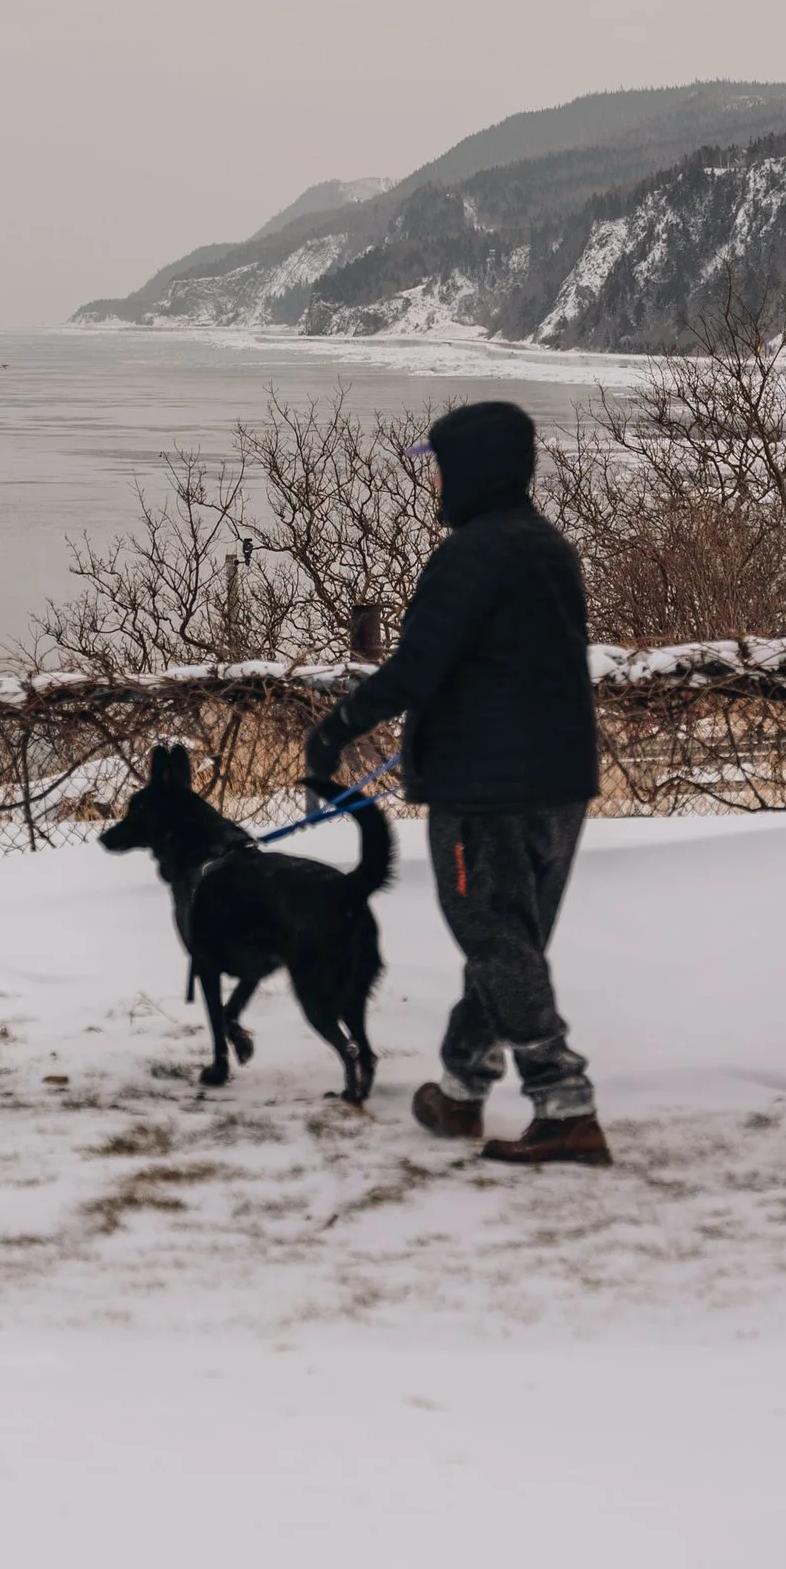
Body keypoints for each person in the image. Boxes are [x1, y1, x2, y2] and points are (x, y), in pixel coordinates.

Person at [301, 399, 610, 1165]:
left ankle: (563, 1104)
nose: (432, 481)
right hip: (560, 780)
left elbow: (415, 669)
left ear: (469, 468)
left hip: (485, 790)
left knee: (495, 939)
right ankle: (463, 1089)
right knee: (510, 942)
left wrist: (332, 732)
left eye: (436, 465)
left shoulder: (472, 555)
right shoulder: (546, 547)